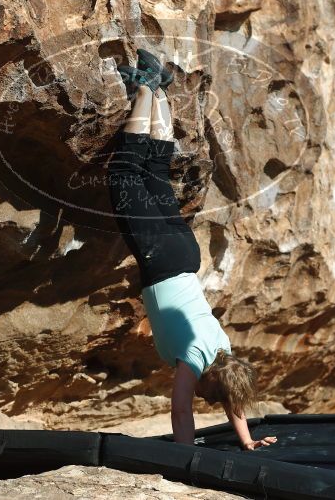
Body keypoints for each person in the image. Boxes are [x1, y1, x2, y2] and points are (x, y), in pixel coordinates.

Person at [107, 49, 277, 450]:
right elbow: (180, 411)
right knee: (124, 171)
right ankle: (146, 90)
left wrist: (247, 441)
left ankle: (161, 93)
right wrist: (186, 459)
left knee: (155, 173)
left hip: (186, 257)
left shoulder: (224, 350)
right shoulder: (194, 359)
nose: (205, 400)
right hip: (163, 261)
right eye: (209, 396)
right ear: (211, 380)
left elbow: (234, 399)